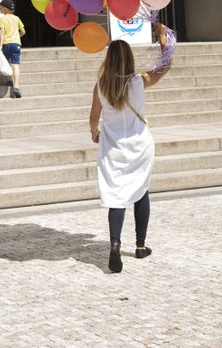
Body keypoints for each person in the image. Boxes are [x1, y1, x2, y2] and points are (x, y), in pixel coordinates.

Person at [88, 24, 170, 273]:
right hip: (140, 145)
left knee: (116, 196)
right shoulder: (139, 81)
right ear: (129, 59)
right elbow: (164, 67)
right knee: (141, 191)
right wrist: (164, 40)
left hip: (113, 147)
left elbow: (93, 117)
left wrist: (95, 133)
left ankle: (114, 243)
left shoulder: (101, 85)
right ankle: (140, 245)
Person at [0, 0, 26, 98]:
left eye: (0, 7)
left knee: (7, 61)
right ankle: (16, 86)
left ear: (5, 9)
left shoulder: (1, 18)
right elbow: (23, 32)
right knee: (15, 64)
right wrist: (17, 37)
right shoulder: (16, 18)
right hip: (16, 43)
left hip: (6, 43)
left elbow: (2, 33)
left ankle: (11, 80)